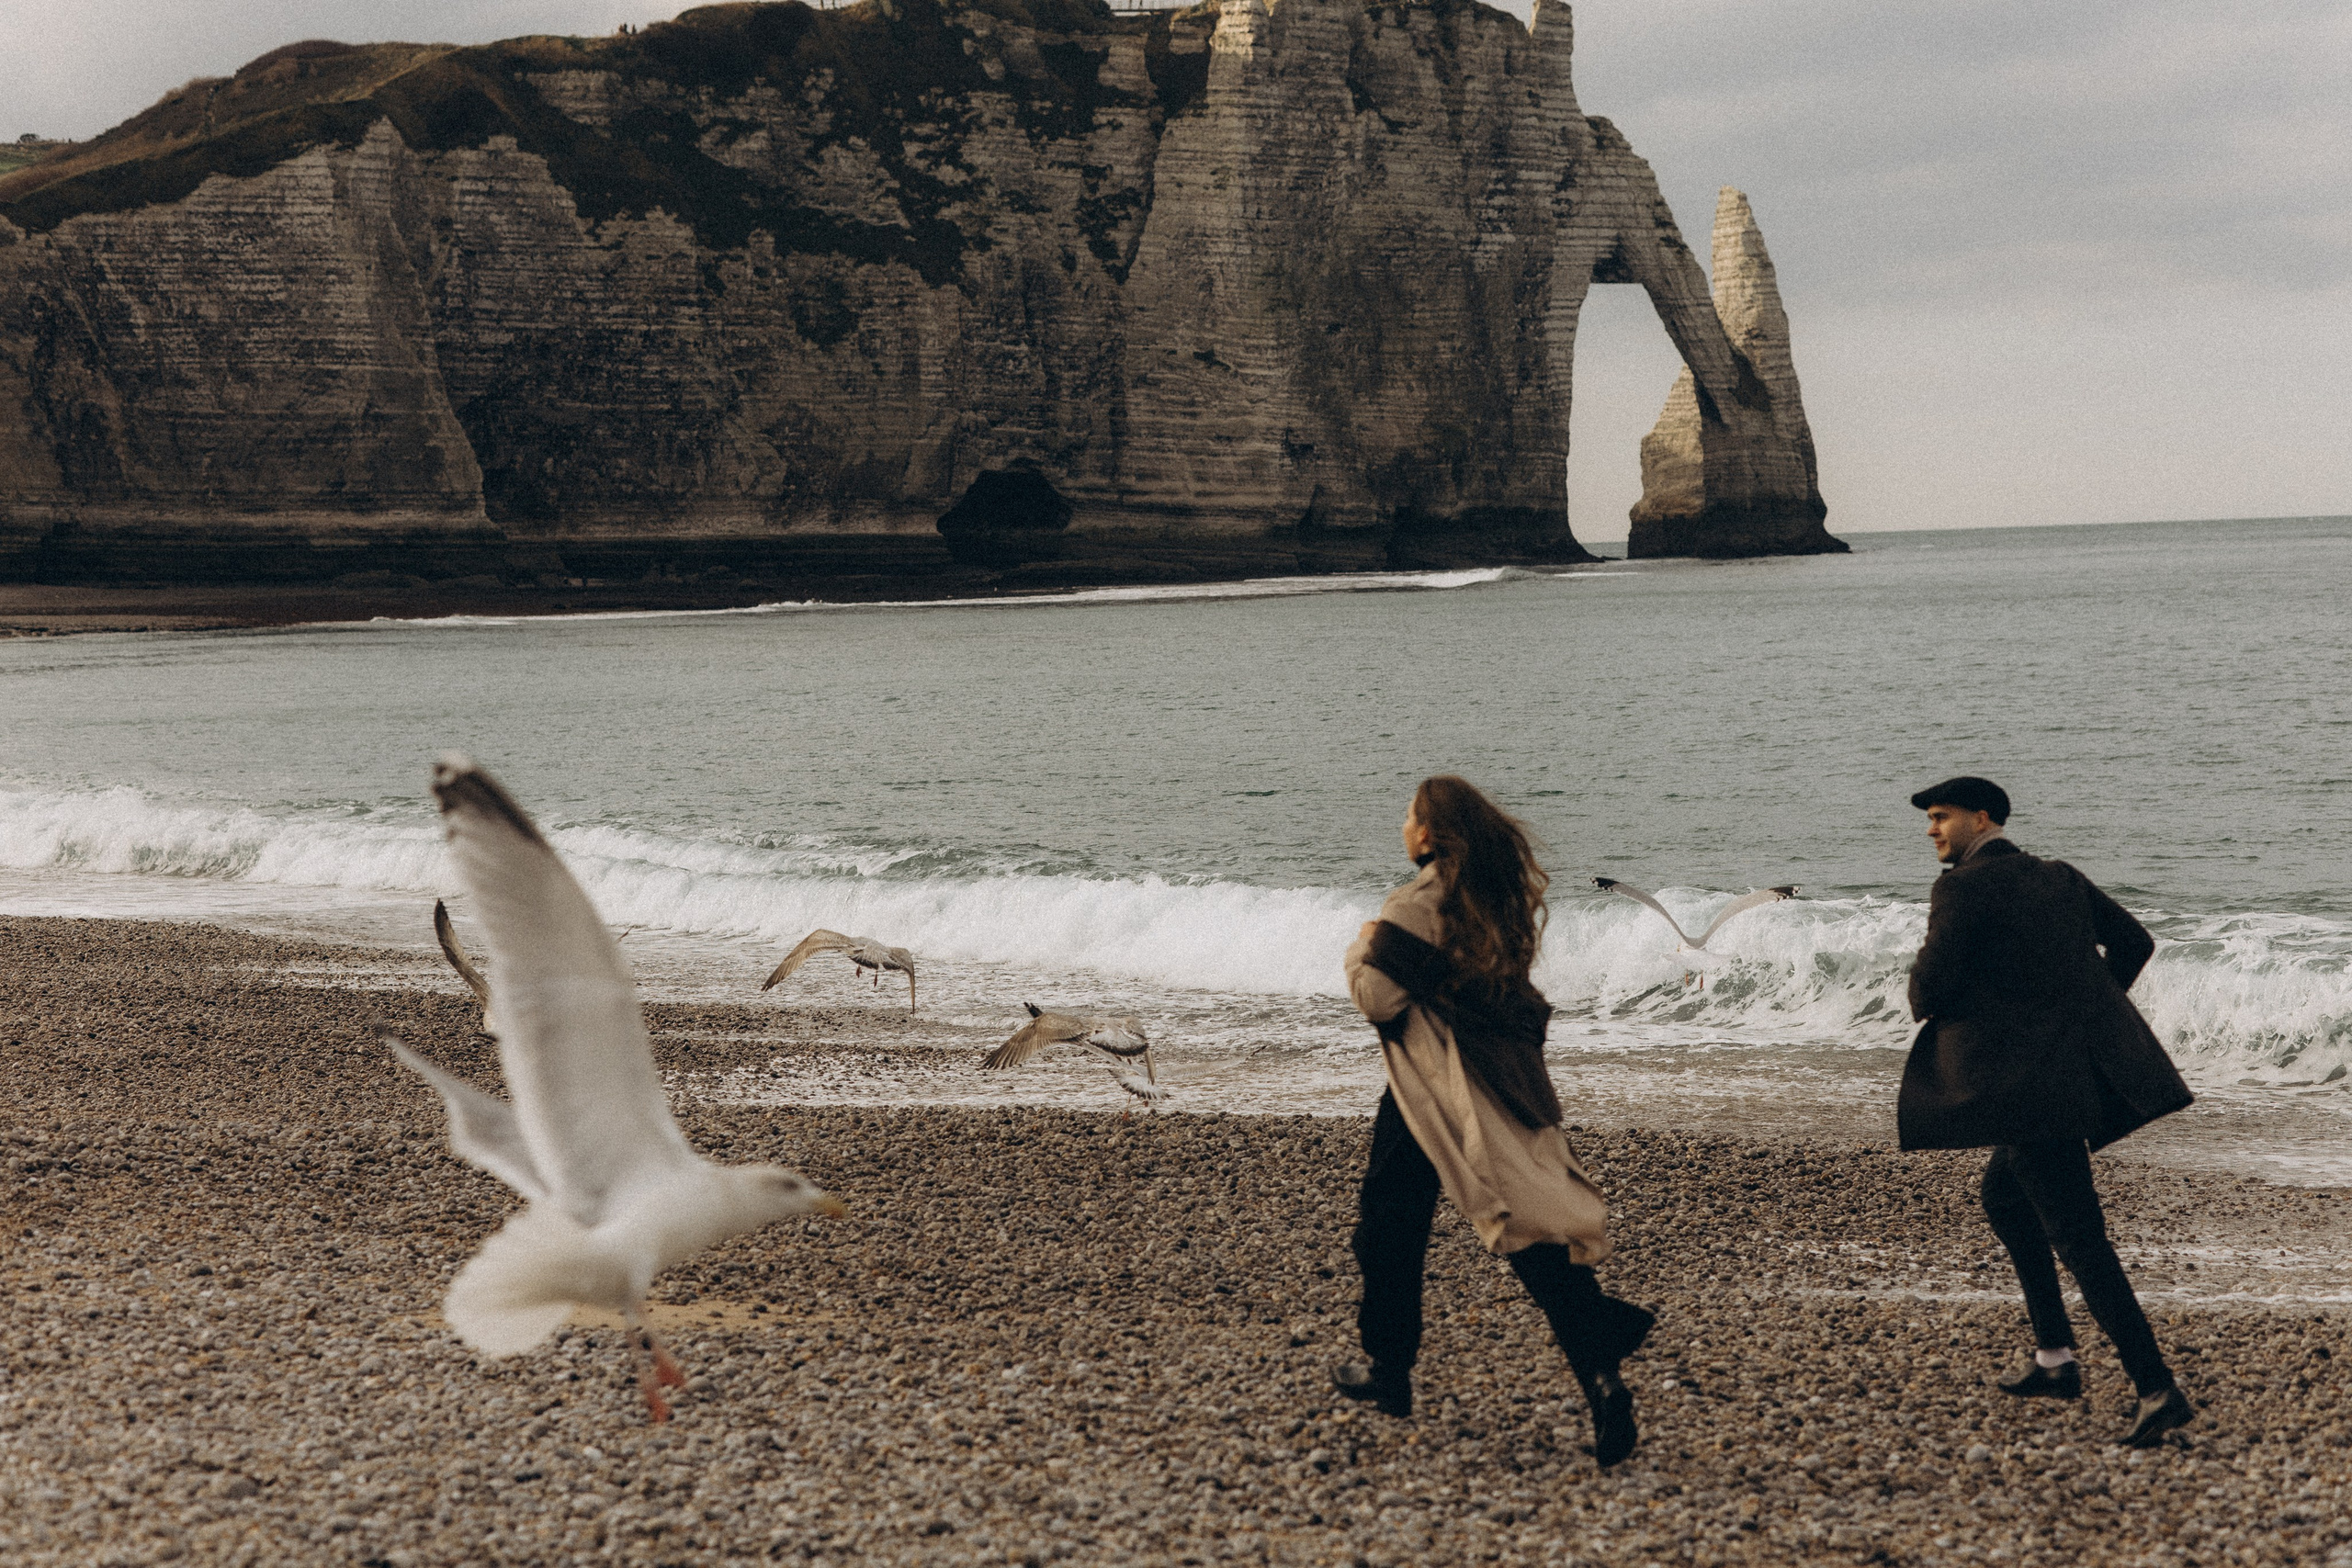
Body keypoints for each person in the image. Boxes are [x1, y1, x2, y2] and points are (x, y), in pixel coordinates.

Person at [1334, 775, 1654, 1467]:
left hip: (1432, 1086)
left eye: (1408, 816)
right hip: (1497, 1081)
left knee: (1389, 1223)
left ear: (1430, 831)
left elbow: (1379, 998)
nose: (1402, 826)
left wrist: (1362, 944)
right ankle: (1601, 1374)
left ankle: (1390, 1368)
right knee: (1525, 1228)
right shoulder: (1496, 897)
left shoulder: (1419, 899)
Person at [1900, 776, 2195, 1449]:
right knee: (2005, 1200)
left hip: (2023, 1093)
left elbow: (1928, 990)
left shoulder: (1962, 888)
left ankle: (2157, 1388)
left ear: (1982, 818)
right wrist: (2074, 1014)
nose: (1931, 830)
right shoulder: (2060, 877)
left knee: (2082, 1239)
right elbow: (2135, 944)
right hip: (2062, 1083)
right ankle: (2055, 1359)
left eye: (1941, 817)